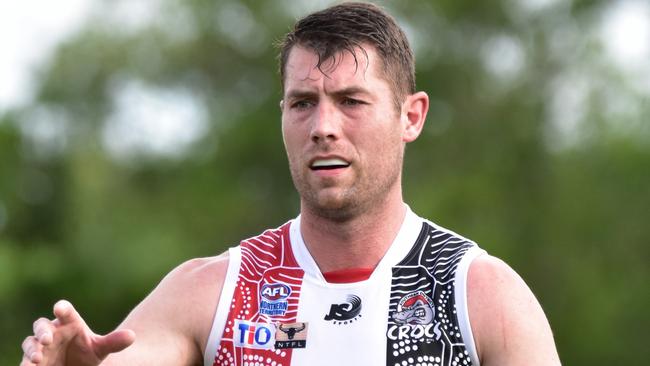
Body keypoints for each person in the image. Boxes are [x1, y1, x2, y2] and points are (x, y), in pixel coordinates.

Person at [20, 2, 561, 366]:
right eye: (303, 103)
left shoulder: (484, 298)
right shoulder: (210, 293)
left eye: (351, 101)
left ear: (411, 117)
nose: (323, 127)